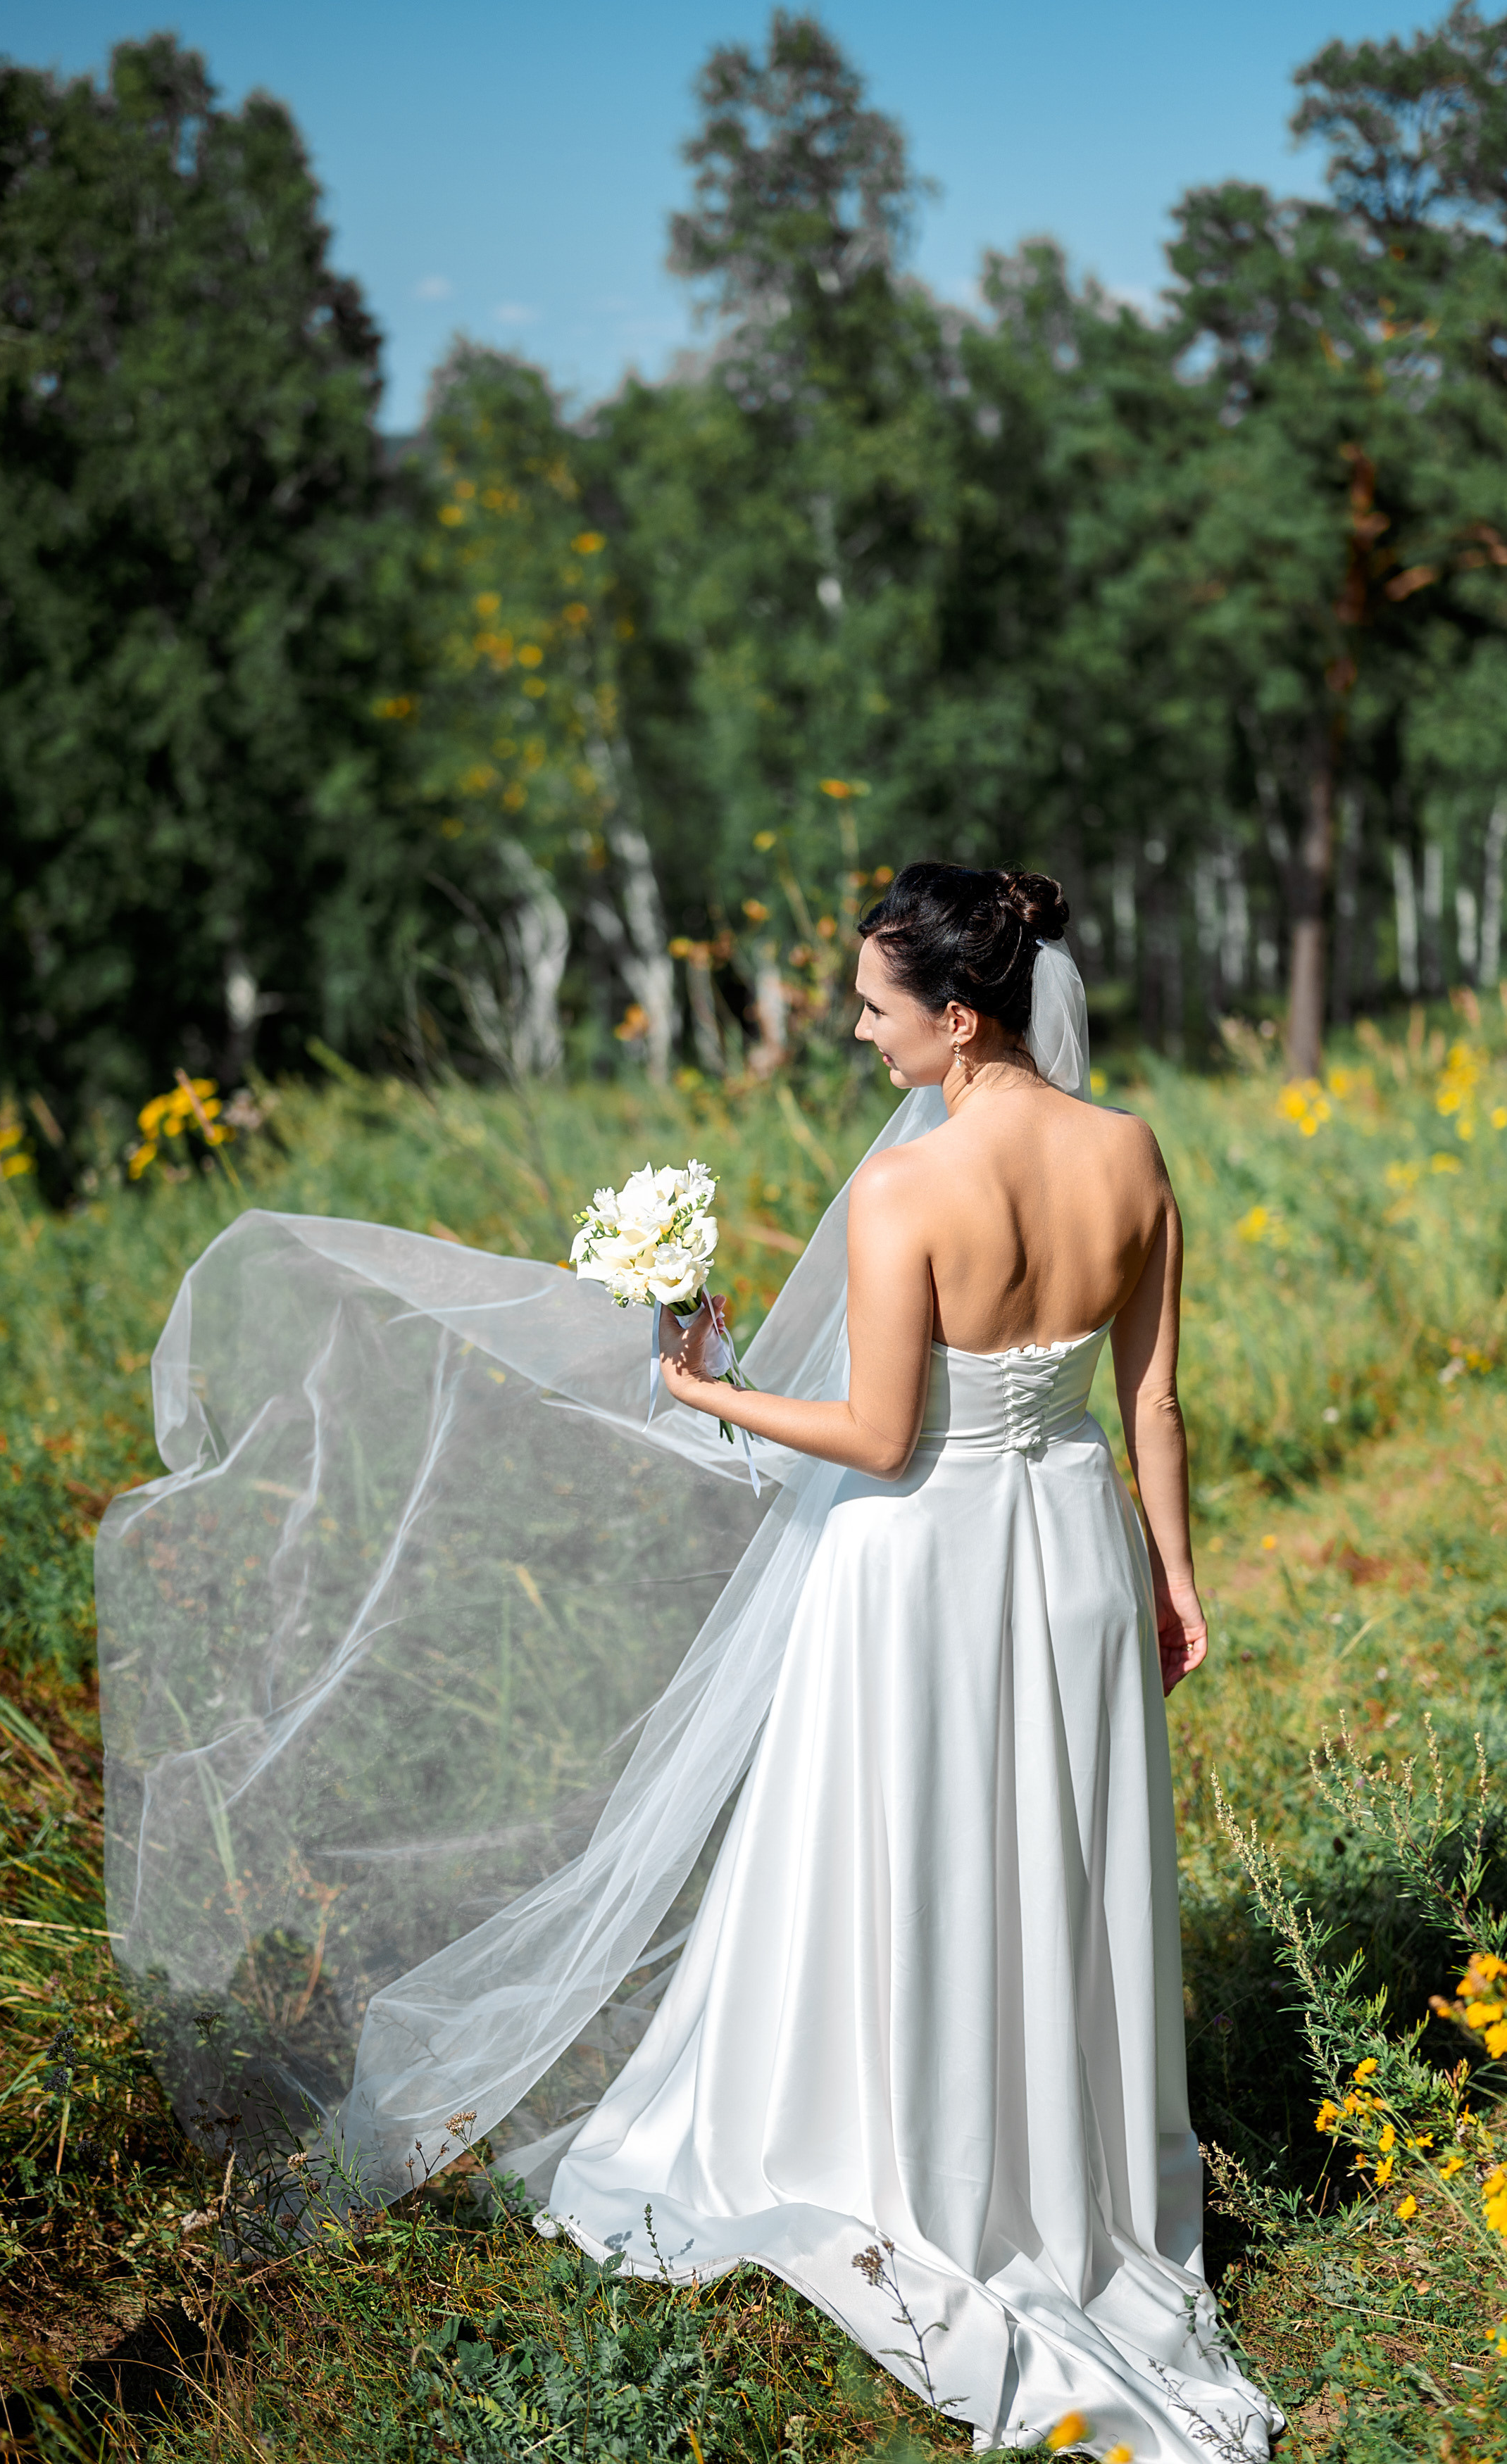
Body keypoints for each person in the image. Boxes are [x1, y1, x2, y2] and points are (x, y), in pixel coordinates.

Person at [539, 865, 1280, 2460]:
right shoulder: (1131, 1153)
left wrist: (703, 1391)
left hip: (922, 1569)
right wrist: (1173, 1572)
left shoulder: (903, 1193)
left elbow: (881, 1438)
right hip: (1077, 1543)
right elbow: (1150, 1402)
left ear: (957, 1016)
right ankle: (1063, 2181)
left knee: (918, 1864)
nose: (858, 1034)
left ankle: (919, 2155)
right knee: (1060, 1867)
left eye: (875, 1006)